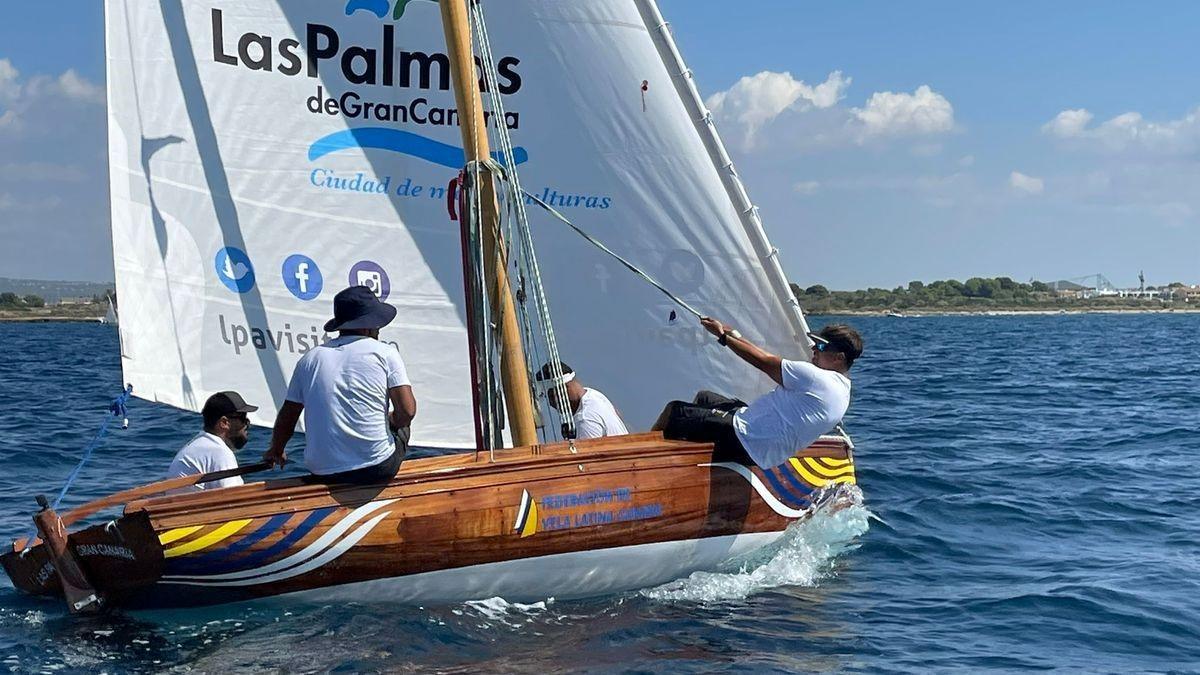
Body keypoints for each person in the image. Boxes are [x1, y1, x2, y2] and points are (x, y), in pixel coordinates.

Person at [652, 319, 861, 469]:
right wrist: (735, 336)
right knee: (706, 398)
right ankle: (687, 461)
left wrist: (723, 337)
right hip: (764, 451)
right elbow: (766, 357)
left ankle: (641, 461)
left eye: (822, 346)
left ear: (839, 358)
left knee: (675, 411)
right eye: (815, 343)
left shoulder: (816, 377)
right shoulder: (843, 388)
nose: (814, 349)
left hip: (746, 439)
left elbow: (763, 361)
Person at [264, 285, 416, 484]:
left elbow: (288, 414)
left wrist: (276, 450)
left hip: (321, 471)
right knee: (402, 426)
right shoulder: (385, 353)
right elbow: (407, 411)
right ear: (368, 325)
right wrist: (392, 422)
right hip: (375, 468)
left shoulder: (310, 358)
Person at [166, 391, 258, 491]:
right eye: (243, 418)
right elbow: (231, 497)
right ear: (224, 423)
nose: (247, 423)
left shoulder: (199, 444)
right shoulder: (219, 453)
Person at [535, 361, 629, 440]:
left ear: (561, 390)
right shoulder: (594, 395)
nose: (551, 404)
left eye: (549, 396)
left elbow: (588, 460)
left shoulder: (585, 419)